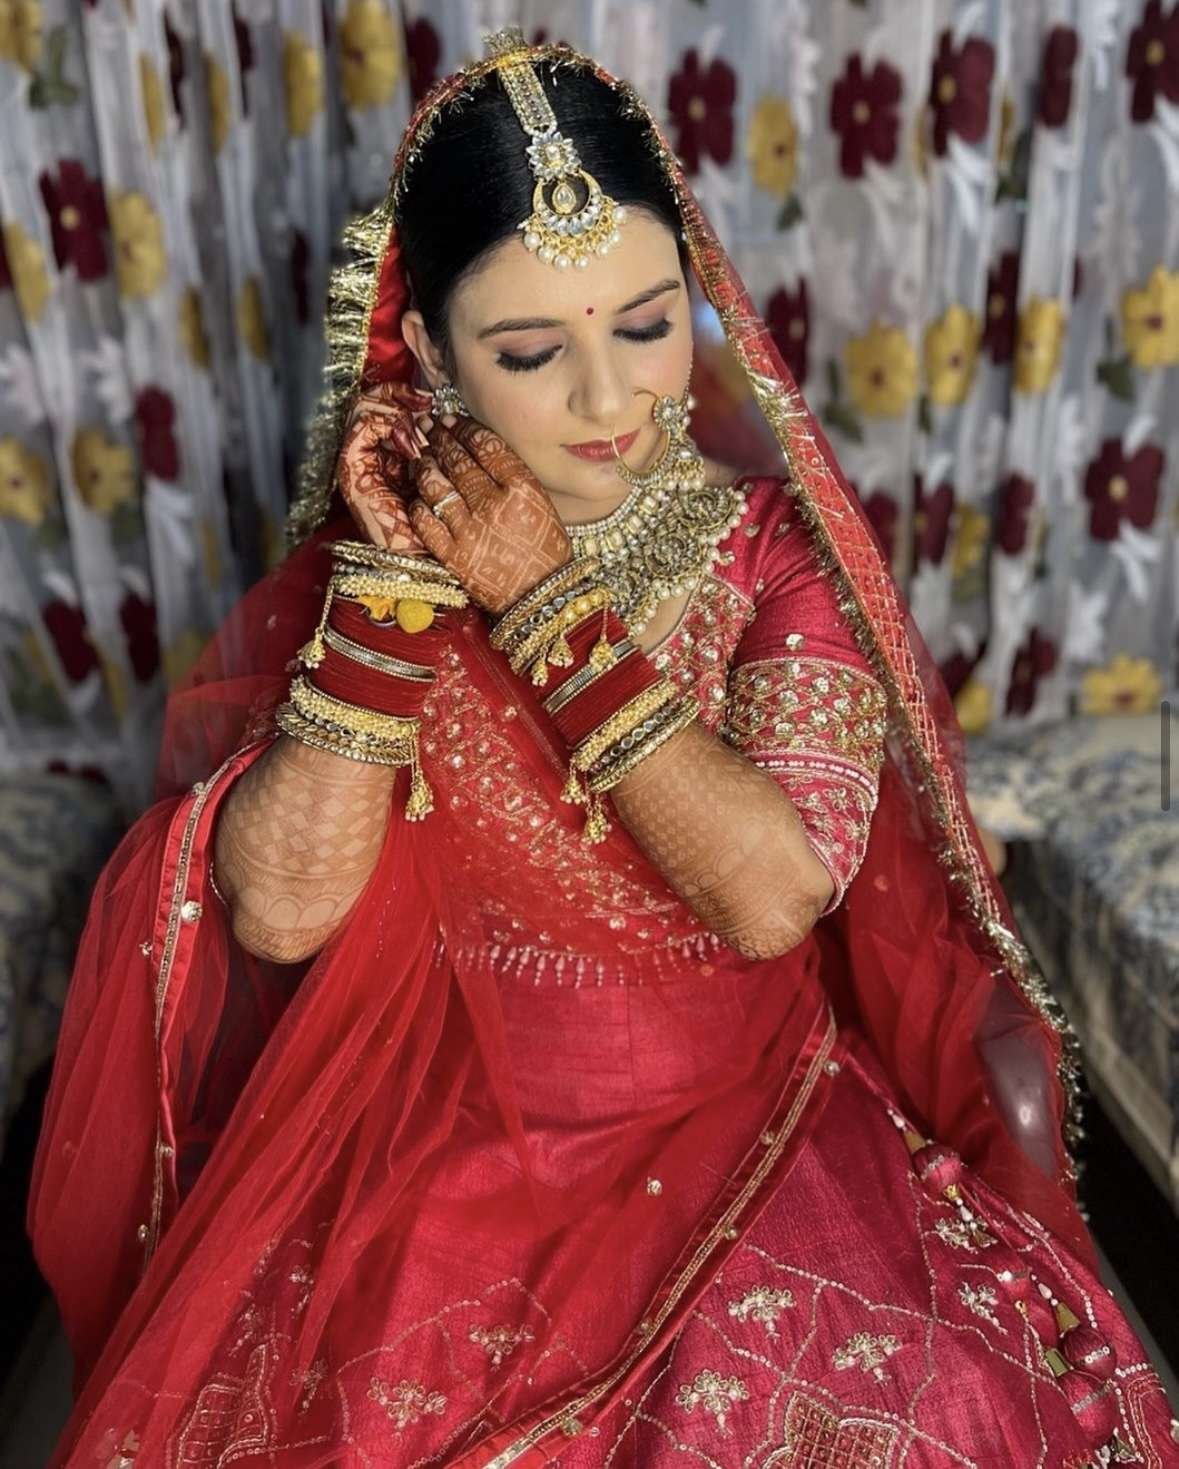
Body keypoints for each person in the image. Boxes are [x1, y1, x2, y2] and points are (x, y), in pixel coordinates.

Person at [28, 30, 1178, 1468]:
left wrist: (548, 607)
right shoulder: (385, 563)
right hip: (444, 1148)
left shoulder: (771, 556)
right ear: (429, 354)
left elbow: (773, 894)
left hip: (751, 1126)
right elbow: (282, 910)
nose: (610, 399)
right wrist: (390, 602)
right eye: (529, 352)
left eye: (646, 324)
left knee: (922, 1414)